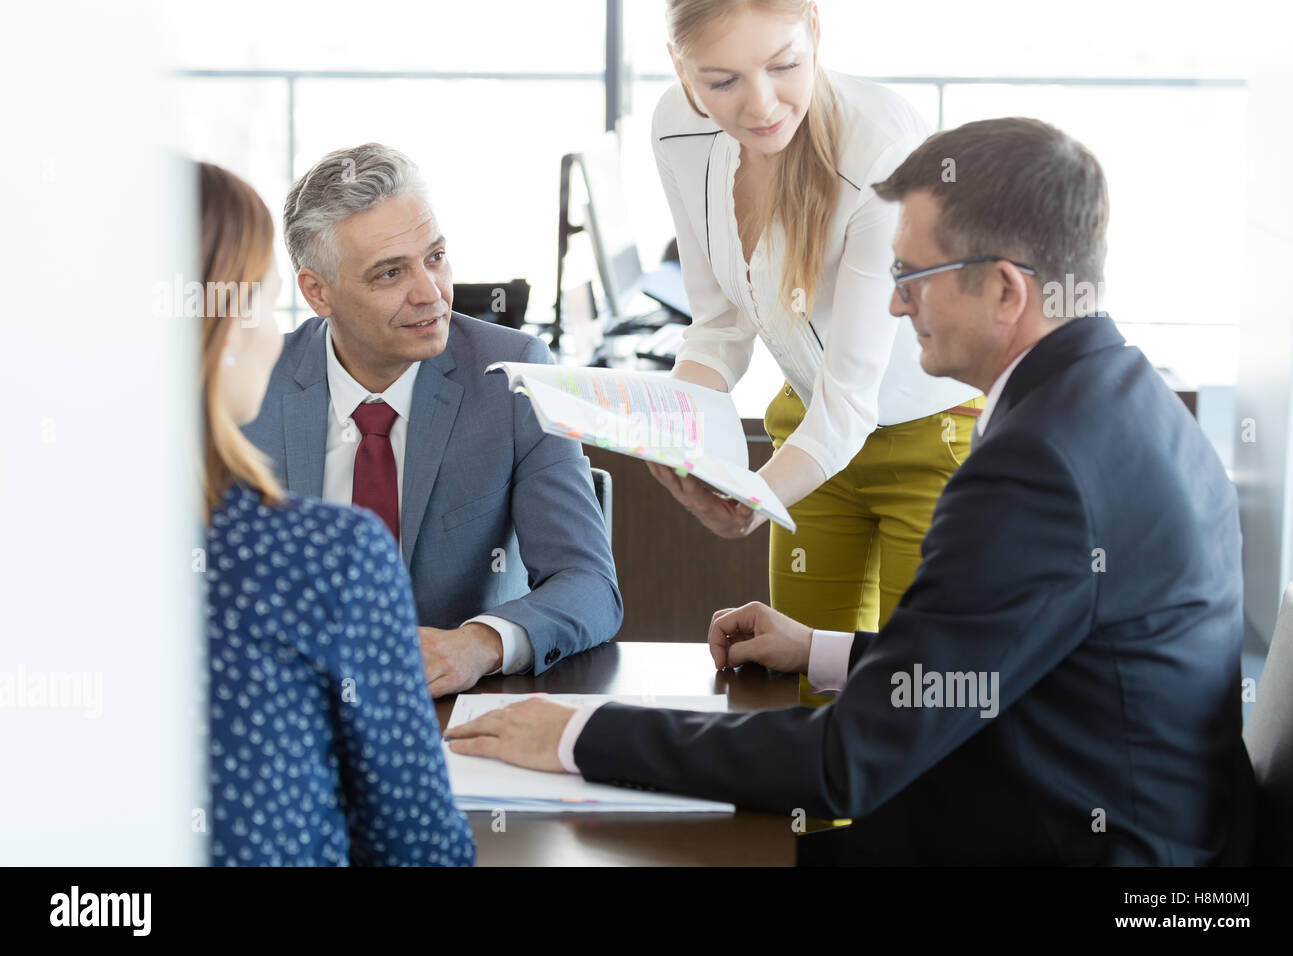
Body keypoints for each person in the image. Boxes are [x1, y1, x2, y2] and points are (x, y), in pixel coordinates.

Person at [444, 118, 1256, 865]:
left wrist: (580, 733)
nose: (895, 303)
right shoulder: (1120, 394)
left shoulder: (1036, 466)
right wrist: (824, 650)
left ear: (1007, 290)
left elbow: (847, 763)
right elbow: (1010, 658)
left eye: (913, 276)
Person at [646, 0, 983, 674]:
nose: (761, 105)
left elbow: (853, 398)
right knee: (804, 687)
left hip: (931, 439)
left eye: (783, 65)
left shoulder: (881, 149)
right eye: (722, 81)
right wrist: (674, 430)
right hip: (810, 432)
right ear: (681, 70)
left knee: (913, 686)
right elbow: (718, 325)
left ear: (816, 34)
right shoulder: (677, 130)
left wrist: (754, 501)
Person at [243, 144, 622, 697]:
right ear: (316, 292)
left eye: (436, 256)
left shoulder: (514, 378)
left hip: (451, 707)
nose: (431, 294)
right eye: (390, 273)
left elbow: (589, 586)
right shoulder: (250, 388)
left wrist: (477, 644)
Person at [198, 161, 474, 865]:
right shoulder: (323, 555)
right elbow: (419, 851)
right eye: (263, 302)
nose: (429, 292)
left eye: (436, 257)